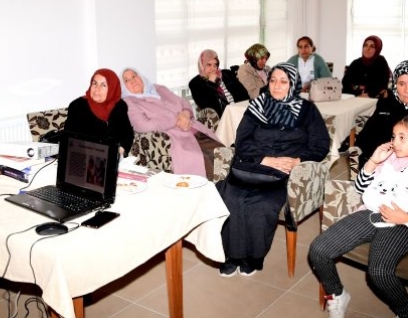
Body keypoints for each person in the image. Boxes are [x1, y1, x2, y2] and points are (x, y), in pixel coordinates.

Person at [308, 113, 408, 318]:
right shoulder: (391, 159)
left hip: (406, 224)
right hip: (372, 212)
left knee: (378, 272)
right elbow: (360, 189)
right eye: (393, 136)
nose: (394, 142)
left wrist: (406, 217)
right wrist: (373, 161)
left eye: (402, 137)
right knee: (318, 250)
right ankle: (337, 294)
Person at [217, 63, 329, 277]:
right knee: (231, 198)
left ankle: (253, 256)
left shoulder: (307, 111)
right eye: (273, 80)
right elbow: (242, 139)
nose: (277, 86)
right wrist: (264, 159)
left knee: (261, 204)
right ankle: (233, 255)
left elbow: (320, 145)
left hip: (283, 170)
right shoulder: (257, 105)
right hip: (252, 162)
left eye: (283, 81)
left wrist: (298, 160)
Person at [121, 68, 223, 177]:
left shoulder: (159, 89)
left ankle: (227, 189)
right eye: (126, 80)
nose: (132, 81)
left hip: (194, 128)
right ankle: (215, 191)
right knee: (204, 161)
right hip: (178, 139)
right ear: (124, 87)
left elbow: (183, 102)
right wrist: (176, 119)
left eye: (134, 76)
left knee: (223, 154)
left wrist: (186, 114)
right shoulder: (129, 103)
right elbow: (144, 126)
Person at [66, 68, 134, 156]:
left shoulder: (120, 106)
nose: (97, 89)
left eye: (103, 85)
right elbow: (70, 140)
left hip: (113, 159)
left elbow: (127, 133)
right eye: (94, 83)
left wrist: (120, 150)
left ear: (112, 88)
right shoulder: (77, 106)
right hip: (84, 158)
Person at [188, 49, 249, 117]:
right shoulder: (195, 84)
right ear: (202, 65)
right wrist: (211, 83)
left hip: (240, 112)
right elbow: (209, 108)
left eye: (215, 65)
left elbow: (245, 94)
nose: (213, 68)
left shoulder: (227, 74)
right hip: (224, 118)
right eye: (209, 65)